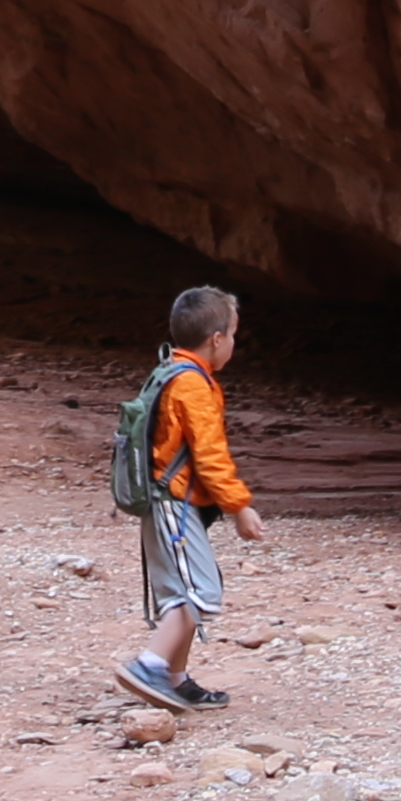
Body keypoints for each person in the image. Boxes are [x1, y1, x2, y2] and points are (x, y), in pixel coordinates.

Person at [121, 286, 264, 713]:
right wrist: (239, 506)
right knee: (199, 592)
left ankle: (175, 679)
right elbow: (210, 455)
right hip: (175, 505)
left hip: (166, 503)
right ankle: (149, 664)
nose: (234, 343)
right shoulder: (193, 386)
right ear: (217, 339)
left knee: (177, 592)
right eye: (234, 334)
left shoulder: (172, 370)